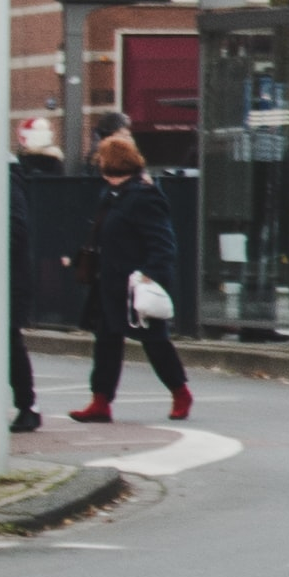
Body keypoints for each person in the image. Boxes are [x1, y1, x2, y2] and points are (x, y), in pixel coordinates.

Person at [76, 129, 191, 423]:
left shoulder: (143, 196)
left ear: (110, 163)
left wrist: (153, 276)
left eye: (101, 158)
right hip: (109, 282)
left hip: (135, 283)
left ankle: (180, 392)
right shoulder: (112, 194)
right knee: (106, 342)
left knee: (154, 341)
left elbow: (162, 242)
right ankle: (100, 401)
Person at [6, 119, 59, 433]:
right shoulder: (16, 176)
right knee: (9, 342)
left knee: (9, 342)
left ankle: (27, 404)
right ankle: (26, 404)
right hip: (10, 274)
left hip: (7, 277)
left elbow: (15, 227)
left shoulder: (9, 179)